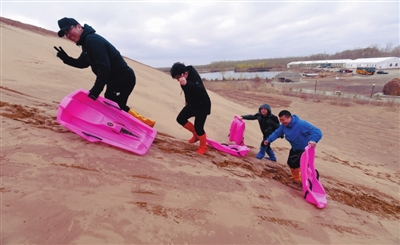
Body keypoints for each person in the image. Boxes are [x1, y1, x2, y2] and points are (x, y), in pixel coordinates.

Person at [54, 17, 155, 127]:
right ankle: (143, 124)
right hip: (115, 80)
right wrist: (66, 58)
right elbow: (82, 63)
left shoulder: (92, 41)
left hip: (123, 78)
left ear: (78, 26)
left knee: (115, 106)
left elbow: (104, 67)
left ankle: (142, 126)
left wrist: (96, 89)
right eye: (65, 33)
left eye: (68, 30)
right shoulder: (86, 44)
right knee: (113, 105)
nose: (68, 35)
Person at [264, 110, 322, 182]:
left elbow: (317, 132)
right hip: (295, 148)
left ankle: (310, 179)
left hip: (305, 149)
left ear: (289, 118)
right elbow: (277, 133)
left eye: (283, 120)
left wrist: (313, 140)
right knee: (291, 163)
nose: (282, 122)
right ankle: (296, 178)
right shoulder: (283, 126)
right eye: (280, 120)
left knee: (305, 165)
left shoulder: (301, 124)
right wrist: (268, 140)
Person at [170, 62, 211, 154]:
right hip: (192, 103)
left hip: (203, 104)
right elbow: (185, 90)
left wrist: (187, 83)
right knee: (180, 118)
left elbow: (199, 89)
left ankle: (203, 146)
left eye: (178, 78)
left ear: (184, 73)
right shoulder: (182, 78)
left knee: (199, 127)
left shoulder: (193, 75)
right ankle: (195, 134)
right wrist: (187, 100)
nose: (178, 80)